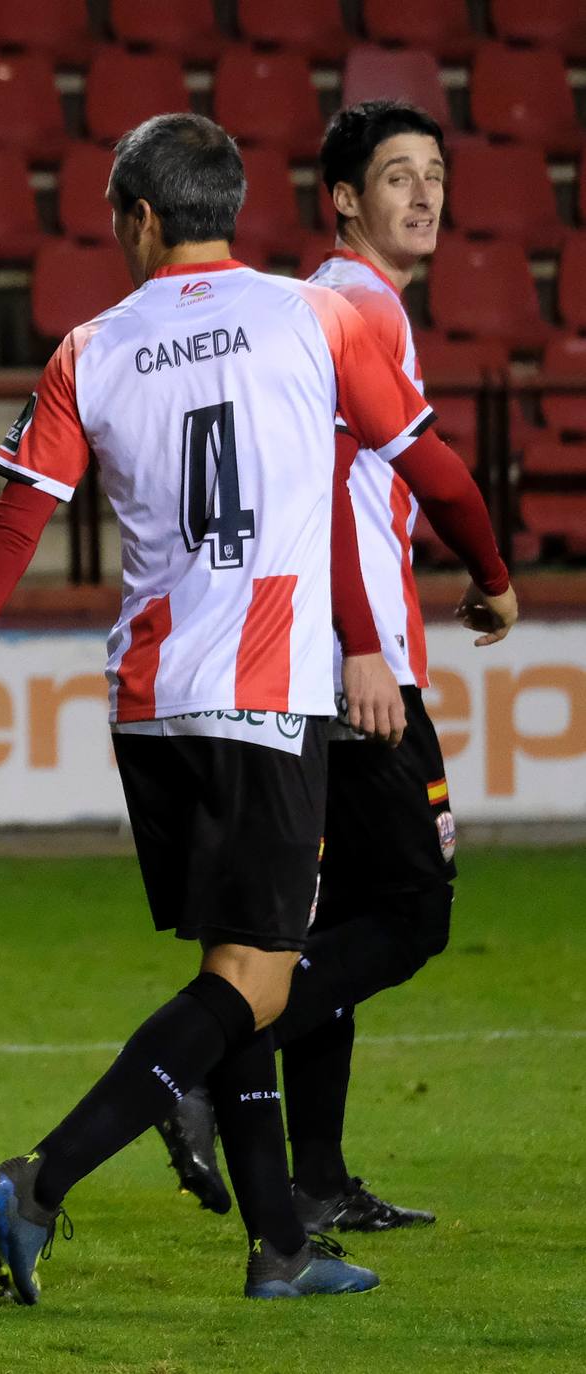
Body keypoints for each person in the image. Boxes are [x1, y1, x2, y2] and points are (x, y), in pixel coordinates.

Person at [0, 112, 475, 1304]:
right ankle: (40, 1178)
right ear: (223, 208)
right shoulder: (314, 314)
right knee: (252, 983)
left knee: (244, 968)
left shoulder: (88, 346)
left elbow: (11, 525)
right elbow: (428, 467)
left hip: (150, 701)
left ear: (139, 218)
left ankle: (276, 1245)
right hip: (263, 698)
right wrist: (496, 575)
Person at [157, 99, 518, 1231]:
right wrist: (365, 643)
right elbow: (314, 491)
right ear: (345, 199)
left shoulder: (335, 301)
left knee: (339, 913)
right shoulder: (351, 307)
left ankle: (312, 1176)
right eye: (396, 176)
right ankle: (217, 1048)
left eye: (434, 174)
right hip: (345, 661)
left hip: (319, 654)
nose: (423, 194)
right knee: (413, 907)